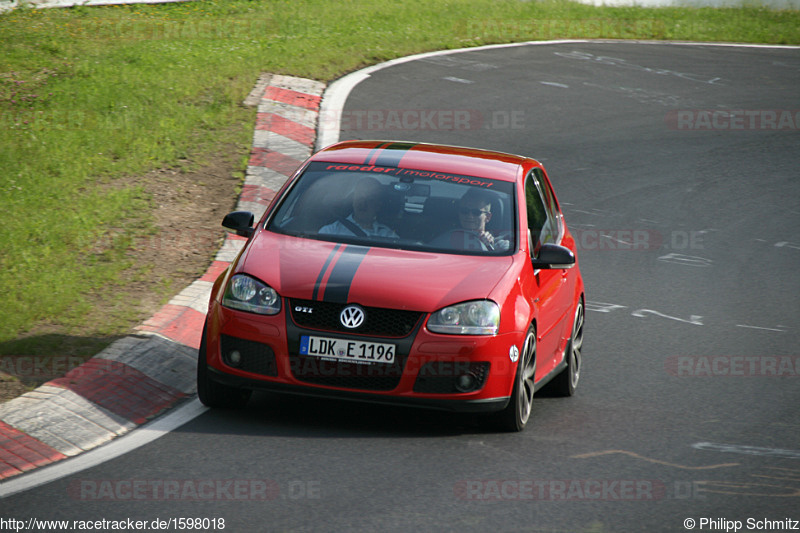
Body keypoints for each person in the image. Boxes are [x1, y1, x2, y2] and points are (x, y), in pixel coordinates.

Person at [319, 177, 398, 238]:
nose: (362, 203)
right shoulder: (331, 231)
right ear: (353, 200)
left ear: (378, 205)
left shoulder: (388, 236)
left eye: (369, 199)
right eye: (360, 197)